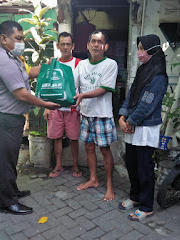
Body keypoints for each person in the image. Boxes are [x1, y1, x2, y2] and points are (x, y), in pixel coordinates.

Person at [0, 20, 60, 215]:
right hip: (3, 119)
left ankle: (12, 191)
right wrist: (46, 104)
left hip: (10, 118)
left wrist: (45, 66)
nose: (21, 43)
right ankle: (8, 202)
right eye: (18, 39)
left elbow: (28, 74)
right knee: (4, 160)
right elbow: (21, 94)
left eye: (23, 39)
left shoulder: (13, 57)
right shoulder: (3, 61)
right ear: (3, 38)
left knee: (11, 158)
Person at [118, 34, 168, 221]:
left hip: (145, 128)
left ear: (152, 50)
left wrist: (130, 121)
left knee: (145, 168)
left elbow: (147, 104)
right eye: (138, 48)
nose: (139, 52)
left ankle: (147, 206)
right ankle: (136, 197)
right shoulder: (142, 71)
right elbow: (131, 94)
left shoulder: (158, 76)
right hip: (133, 125)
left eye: (141, 48)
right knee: (132, 164)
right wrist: (123, 116)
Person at [72, 30, 118, 201]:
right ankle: (93, 179)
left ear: (105, 46)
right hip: (86, 113)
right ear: (88, 45)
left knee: (105, 150)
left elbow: (104, 88)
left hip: (102, 114)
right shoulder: (81, 65)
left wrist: (82, 95)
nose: (96, 45)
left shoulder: (110, 64)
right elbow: (73, 85)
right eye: (93, 41)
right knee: (89, 147)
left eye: (100, 42)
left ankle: (109, 186)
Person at [43, 32, 82, 178]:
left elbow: (82, 87)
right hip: (56, 107)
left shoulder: (79, 63)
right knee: (57, 137)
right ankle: (58, 165)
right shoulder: (53, 63)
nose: (65, 47)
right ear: (58, 46)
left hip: (73, 108)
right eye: (62, 44)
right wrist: (47, 107)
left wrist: (82, 106)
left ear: (73, 46)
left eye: (68, 44)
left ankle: (75, 165)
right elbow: (48, 86)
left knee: (74, 138)